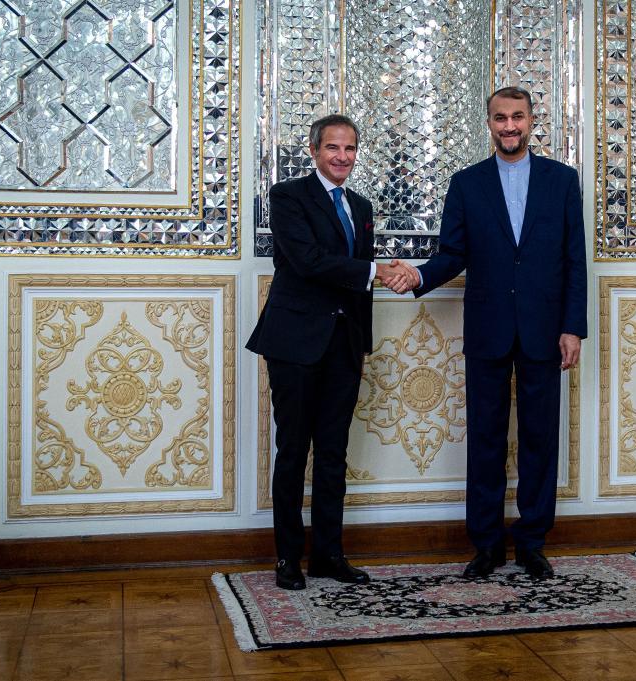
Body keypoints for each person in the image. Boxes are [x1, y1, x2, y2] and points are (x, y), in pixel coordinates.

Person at [385, 87, 588, 579]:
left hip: (545, 330)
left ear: (532, 120)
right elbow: (453, 254)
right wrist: (417, 276)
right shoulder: (467, 183)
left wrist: (572, 328)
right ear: (489, 123)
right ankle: (487, 544)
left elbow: (574, 259)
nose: (509, 126)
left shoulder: (562, 181)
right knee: (485, 439)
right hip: (487, 329)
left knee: (540, 438)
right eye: (500, 118)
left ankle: (532, 542)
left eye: (517, 116)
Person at [247, 114, 409, 590]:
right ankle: (288, 558)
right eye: (333, 148)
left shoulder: (360, 205)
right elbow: (308, 261)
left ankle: (328, 555)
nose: (342, 156)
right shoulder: (287, 196)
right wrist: (376, 271)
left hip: (344, 344)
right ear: (314, 150)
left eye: (350, 148)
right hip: (295, 342)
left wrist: (363, 334)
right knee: (293, 451)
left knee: (334, 453)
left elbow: (356, 276)